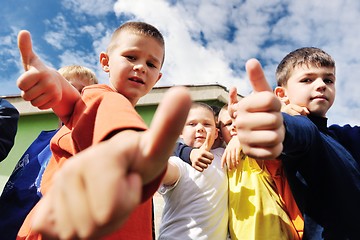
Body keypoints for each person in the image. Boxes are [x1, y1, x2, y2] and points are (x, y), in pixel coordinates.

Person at [15, 22, 191, 240]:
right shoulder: (97, 96)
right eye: (131, 57)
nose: (141, 67)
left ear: (158, 78)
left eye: (151, 64)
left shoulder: (103, 110)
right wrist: (130, 147)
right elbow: (76, 101)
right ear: (105, 62)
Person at [231, 48, 360, 239]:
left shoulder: (347, 135)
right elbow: (300, 132)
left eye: (328, 80)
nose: (321, 85)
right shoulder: (303, 129)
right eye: (307, 79)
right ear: (282, 94)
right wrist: (276, 124)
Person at [0, 65, 98, 239]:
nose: (72, 92)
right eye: (65, 85)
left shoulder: (88, 140)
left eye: (82, 90)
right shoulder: (39, 144)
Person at [219, 103, 302, 240]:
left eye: (241, 119)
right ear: (220, 135)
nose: (234, 125)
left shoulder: (256, 154)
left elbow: (272, 132)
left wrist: (243, 137)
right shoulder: (222, 161)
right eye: (228, 123)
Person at [158, 102, 228, 239]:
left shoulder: (223, 155)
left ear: (216, 133)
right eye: (192, 124)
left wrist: (237, 141)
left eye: (207, 124)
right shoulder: (179, 163)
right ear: (180, 132)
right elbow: (163, 170)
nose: (200, 128)